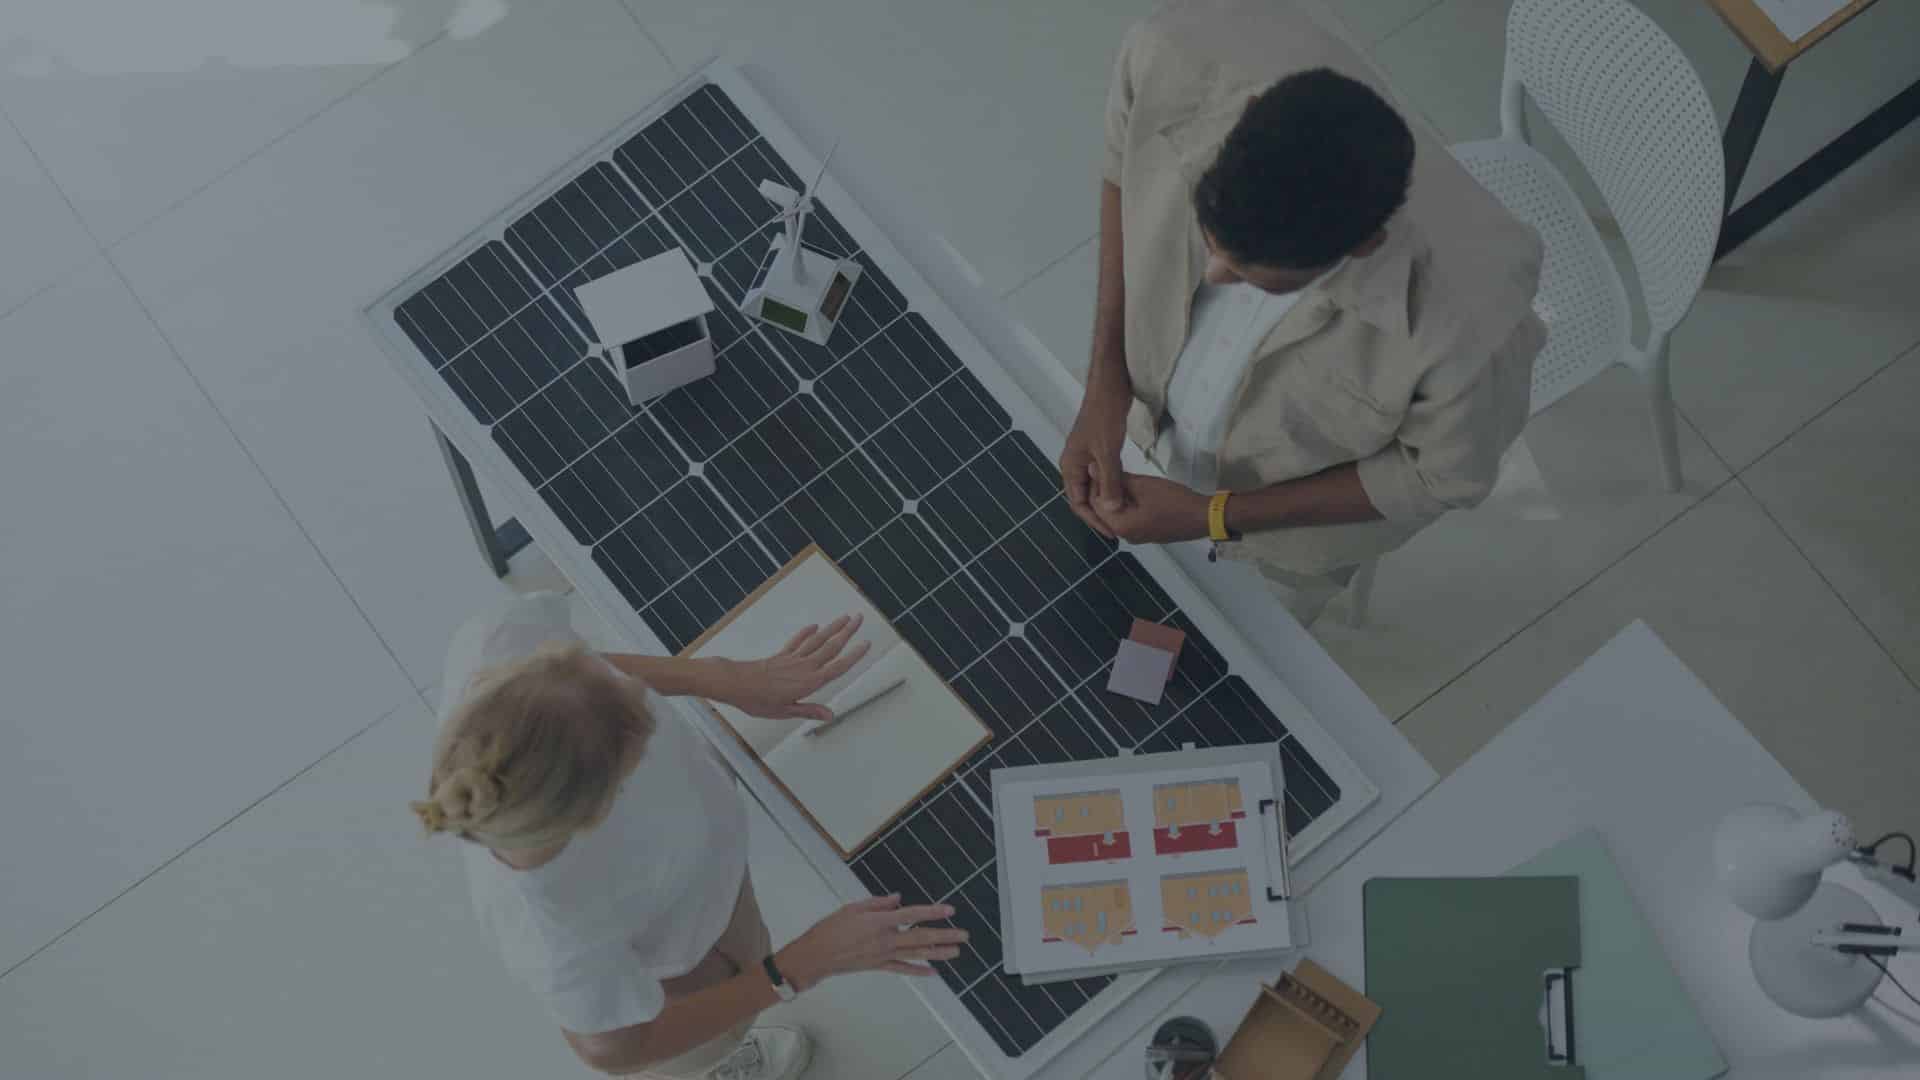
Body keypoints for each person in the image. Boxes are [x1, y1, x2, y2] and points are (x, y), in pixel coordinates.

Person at [1061, 0, 1547, 624]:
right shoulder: (1175, 51)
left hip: (1279, 545)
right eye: (1212, 245)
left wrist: (1214, 516)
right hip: (1148, 430)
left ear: (1361, 247)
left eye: (1251, 280)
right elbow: (1119, 169)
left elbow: (1439, 479)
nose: (1213, 278)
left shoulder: (1476, 328)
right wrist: (1106, 384)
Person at [413, 592, 969, 1079]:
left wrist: (719, 676)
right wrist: (797, 967)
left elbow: (590, 671)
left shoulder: (498, 643)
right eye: (639, 731)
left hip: (710, 889)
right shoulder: (555, 935)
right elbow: (614, 1048)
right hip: (684, 975)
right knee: (693, 1054)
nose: (644, 699)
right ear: (599, 810)